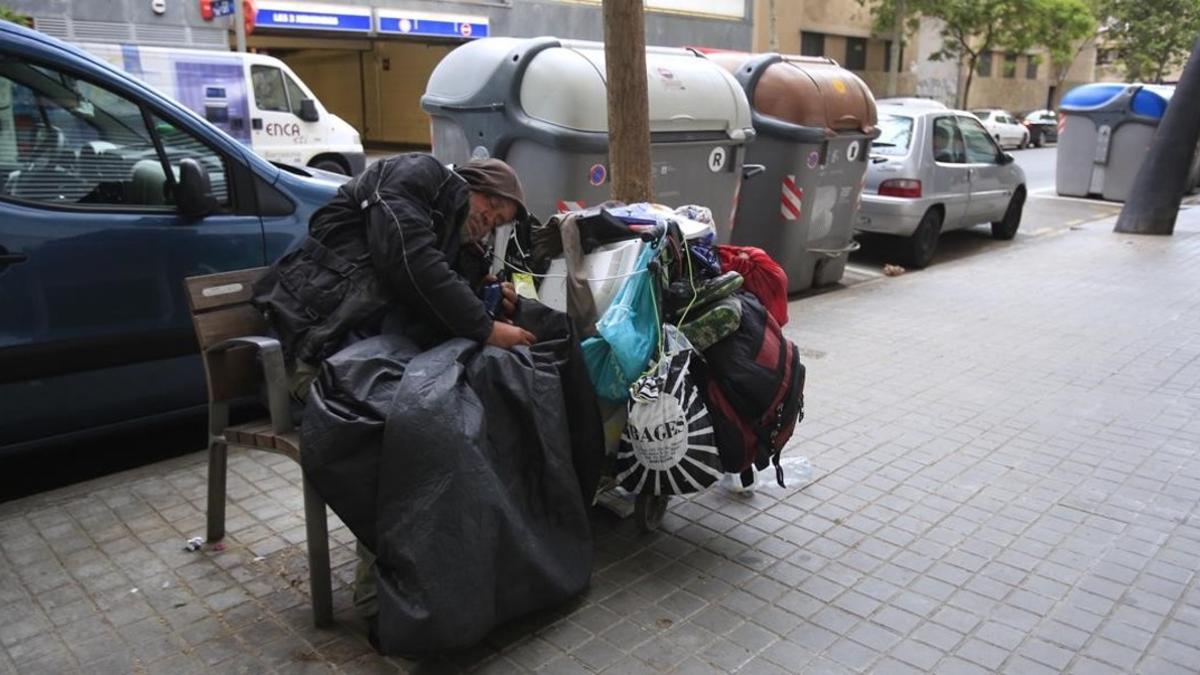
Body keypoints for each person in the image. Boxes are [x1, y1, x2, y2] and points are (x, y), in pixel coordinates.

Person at [252, 153, 537, 621]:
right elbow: (406, 260)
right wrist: (484, 329)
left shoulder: (453, 236)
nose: (489, 221)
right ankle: (378, 594)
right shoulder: (415, 176)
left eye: (498, 221)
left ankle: (442, 567)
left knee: (459, 409)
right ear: (468, 183)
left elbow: (434, 286)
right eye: (490, 204)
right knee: (401, 431)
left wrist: (486, 293)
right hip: (313, 352)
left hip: (369, 356)